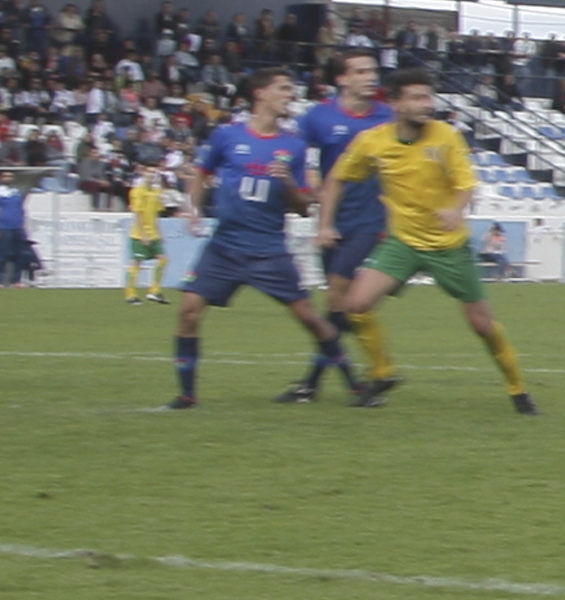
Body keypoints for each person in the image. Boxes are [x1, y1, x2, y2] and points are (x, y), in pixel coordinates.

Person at [323, 67, 535, 415]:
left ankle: (518, 389)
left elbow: (466, 184)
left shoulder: (446, 136)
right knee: (356, 304)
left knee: (482, 324)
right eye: (417, 97)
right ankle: (383, 370)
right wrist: (325, 223)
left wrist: (454, 209)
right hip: (403, 243)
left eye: (428, 96)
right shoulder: (373, 142)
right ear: (394, 102)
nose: (427, 104)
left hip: (448, 245)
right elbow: (338, 178)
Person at [171, 69, 367, 409]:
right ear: (260, 93)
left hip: (269, 249)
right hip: (224, 246)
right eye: (283, 88)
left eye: (291, 89)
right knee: (189, 311)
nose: (290, 95)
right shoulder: (227, 136)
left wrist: (290, 185)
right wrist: (192, 208)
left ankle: (355, 387)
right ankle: (186, 396)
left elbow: (306, 205)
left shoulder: (294, 146)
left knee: (309, 317)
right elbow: (202, 174)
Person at [288, 50, 397, 403]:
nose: (370, 76)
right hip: (333, 221)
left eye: (373, 70)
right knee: (338, 305)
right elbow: (296, 155)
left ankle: (356, 378)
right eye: (361, 71)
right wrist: (309, 189)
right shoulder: (318, 117)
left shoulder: (388, 117)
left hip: (372, 219)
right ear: (342, 79)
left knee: (339, 293)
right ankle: (318, 382)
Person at [124, 168, 171, 304]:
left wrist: (159, 233)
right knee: (137, 262)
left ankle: (154, 291)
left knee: (163, 259)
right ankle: (130, 295)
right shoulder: (138, 191)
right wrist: (143, 233)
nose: (152, 175)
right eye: (149, 172)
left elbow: (155, 215)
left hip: (154, 234)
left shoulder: (156, 192)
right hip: (139, 234)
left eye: (154, 173)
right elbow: (137, 213)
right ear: (143, 174)